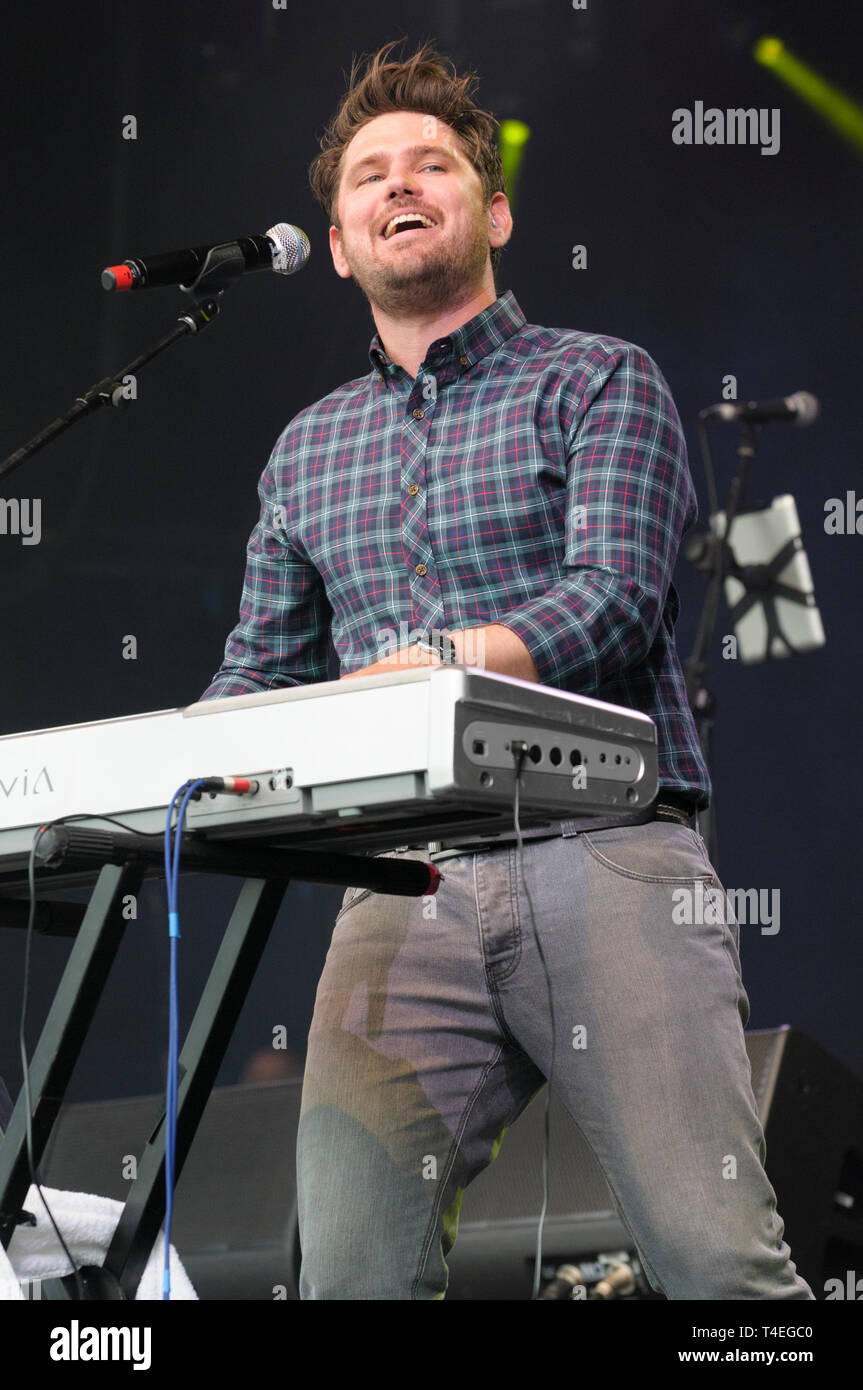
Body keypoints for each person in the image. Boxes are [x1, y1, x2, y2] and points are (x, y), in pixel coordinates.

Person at [200, 40, 814, 1300]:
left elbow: (610, 605)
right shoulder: (304, 448)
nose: (398, 183)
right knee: (349, 1282)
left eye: (432, 163)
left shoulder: (599, 380)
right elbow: (255, 674)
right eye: (370, 174)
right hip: (398, 884)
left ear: (493, 211)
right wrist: (149, 763)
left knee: (714, 1266)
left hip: (607, 849)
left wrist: (422, 670)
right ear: (337, 240)